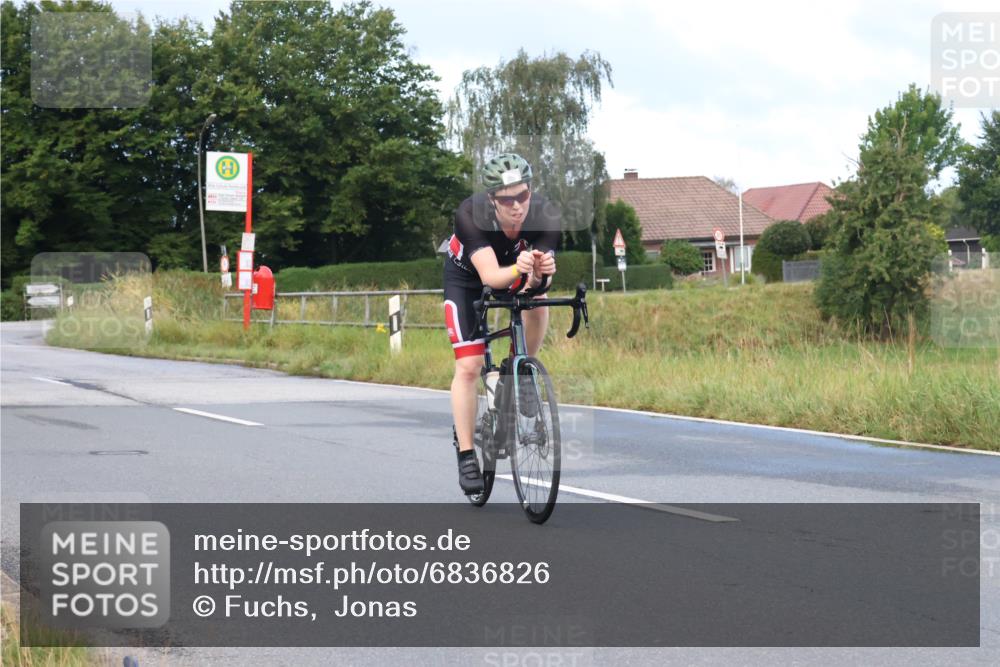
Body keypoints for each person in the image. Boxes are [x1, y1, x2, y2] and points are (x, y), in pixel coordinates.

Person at [443, 153, 559, 494]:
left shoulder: (545, 214)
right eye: (506, 200)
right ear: (492, 199)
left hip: (514, 271)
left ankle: (520, 371)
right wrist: (520, 268)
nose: (517, 206)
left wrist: (541, 274)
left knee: (536, 301)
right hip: (467, 278)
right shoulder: (470, 214)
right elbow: (492, 277)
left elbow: (539, 284)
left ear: (531, 191)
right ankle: (466, 454)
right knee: (469, 365)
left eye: (522, 196)